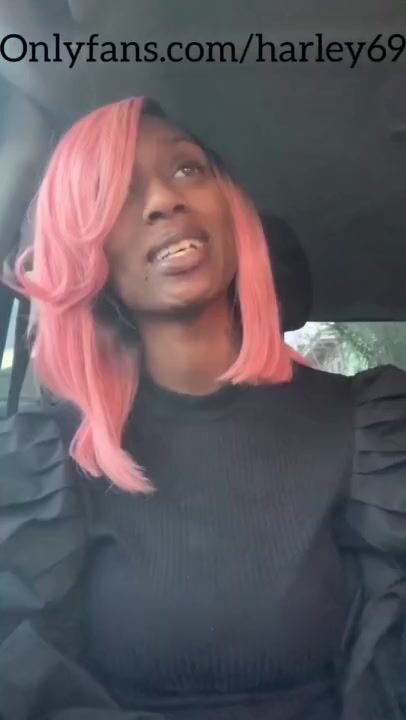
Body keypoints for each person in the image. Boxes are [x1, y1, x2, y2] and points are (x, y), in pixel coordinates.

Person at [0, 96, 405, 720]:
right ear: (88, 253)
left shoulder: (371, 433)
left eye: (187, 168)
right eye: (116, 193)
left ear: (232, 210)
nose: (164, 200)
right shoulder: (44, 465)